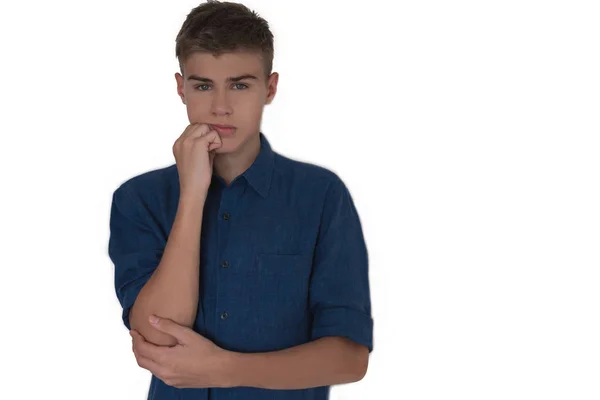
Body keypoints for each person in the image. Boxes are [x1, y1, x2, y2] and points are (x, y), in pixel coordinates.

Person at [108, 1, 374, 399]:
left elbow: (350, 358)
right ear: (181, 88)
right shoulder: (138, 200)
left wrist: (224, 369)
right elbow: (157, 334)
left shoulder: (321, 196)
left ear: (270, 88)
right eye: (203, 86)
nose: (220, 107)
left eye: (239, 84)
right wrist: (193, 194)